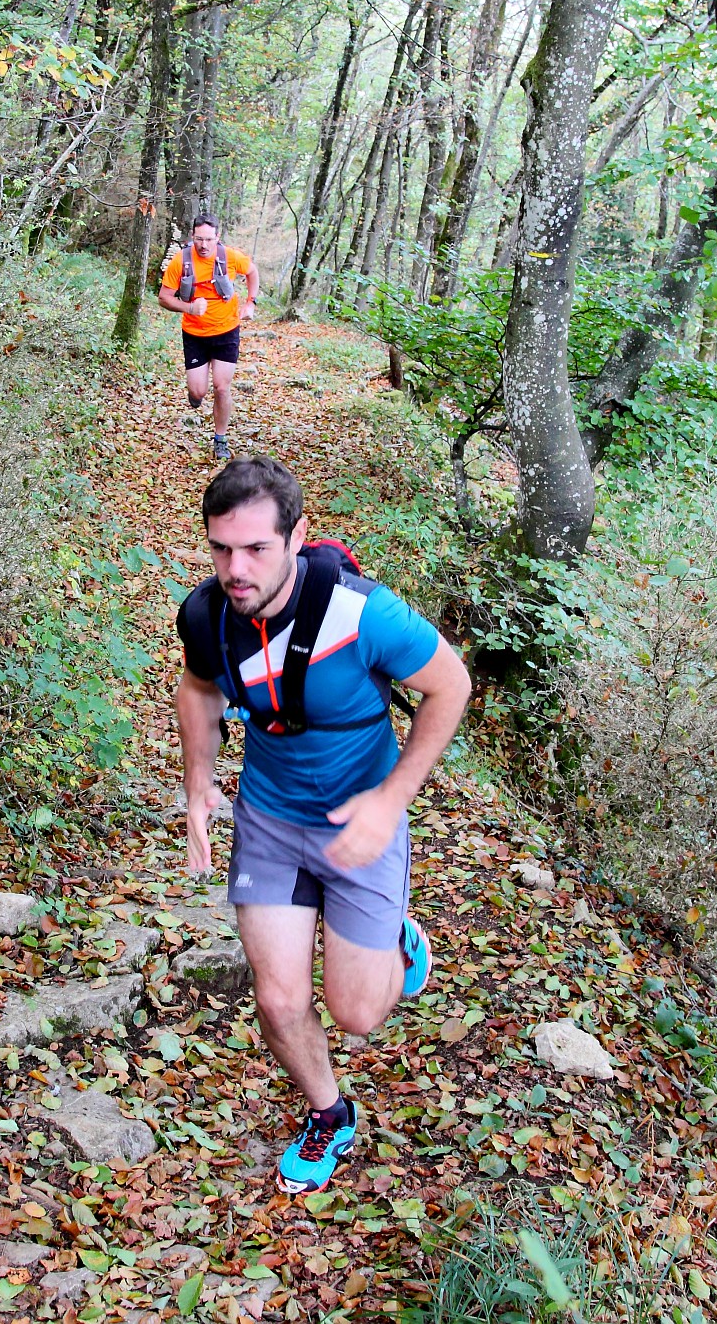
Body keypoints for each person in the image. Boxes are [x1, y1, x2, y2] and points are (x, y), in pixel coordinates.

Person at [175, 456, 471, 1193]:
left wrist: (392, 798)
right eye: (220, 548)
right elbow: (198, 687)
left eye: (255, 550)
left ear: (298, 536)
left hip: (359, 824)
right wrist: (199, 787)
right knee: (278, 998)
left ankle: (396, 939)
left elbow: (451, 684)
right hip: (271, 821)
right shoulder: (208, 614)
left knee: (359, 1012)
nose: (234, 569)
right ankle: (330, 1114)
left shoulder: (364, 613)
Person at [157, 215, 256, 460]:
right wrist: (189, 308)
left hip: (226, 331)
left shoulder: (230, 256)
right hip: (194, 334)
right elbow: (164, 297)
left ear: (217, 238)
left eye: (209, 239)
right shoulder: (181, 260)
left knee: (222, 388)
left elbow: (252, 272)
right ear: (192, 237)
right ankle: (195, 394)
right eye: (199, 239)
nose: (204, 245)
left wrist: (250, 303)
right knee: (199, 392)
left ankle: (220, 439)